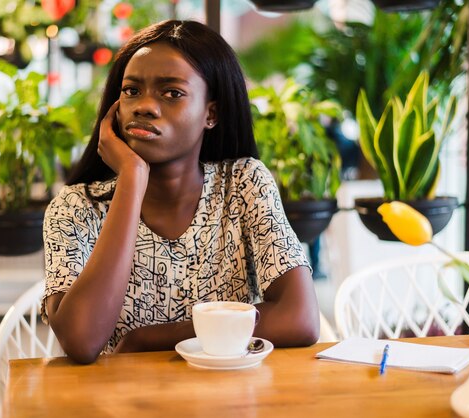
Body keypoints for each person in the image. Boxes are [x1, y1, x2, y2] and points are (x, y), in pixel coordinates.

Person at [42, 19, 320, 364]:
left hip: (226, 398)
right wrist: (131, 177)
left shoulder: (243, 184)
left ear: (211, 113)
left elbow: (300, 318)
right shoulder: (75, 207)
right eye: (131, 90)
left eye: (171, 92)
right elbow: (81, 341)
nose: (144, 105)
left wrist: (147, 340)